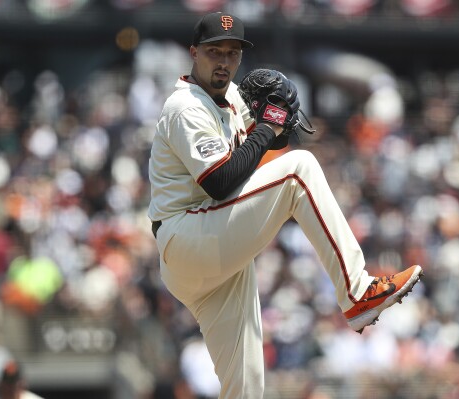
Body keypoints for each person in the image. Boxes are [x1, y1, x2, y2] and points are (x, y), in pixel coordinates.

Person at [147, 11, 423, 398]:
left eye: (232, 52)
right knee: (299, 170)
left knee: (247, 387)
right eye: (214, 52)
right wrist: (268, 127)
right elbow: (220, 181)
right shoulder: (186, 106)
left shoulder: (230, 101)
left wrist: (277, 124)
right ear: (194, 53)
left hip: (212, 251)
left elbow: (268, 143)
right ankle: (358, 291)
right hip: (188, 235)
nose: (224, 61)